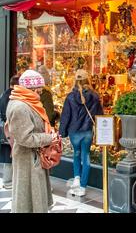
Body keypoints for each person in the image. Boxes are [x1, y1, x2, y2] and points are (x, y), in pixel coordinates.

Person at [6, 70, 58, 213]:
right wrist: (49, 138)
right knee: (27, 200)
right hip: (27, 159)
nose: (40, 93)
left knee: (33, 199)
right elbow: (25, 138)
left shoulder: (27, 103)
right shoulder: (20, 107)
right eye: (39, 90)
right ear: (32, 89)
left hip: (32, 157)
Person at [59, 69, 103, 197]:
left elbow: (65, 116)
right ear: (87, 80)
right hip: (87, 131)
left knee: (76, 154)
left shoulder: (70, 97)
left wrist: (62, 133)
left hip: (74, 132)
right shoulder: (94, 96)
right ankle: (83, 186)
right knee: (86, 156)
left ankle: (77, 179)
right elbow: (99, 115)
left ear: (75, 80)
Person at [0, 75, 19, 190]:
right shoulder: (11, 97)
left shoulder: (3, 95)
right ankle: (8, 181)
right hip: (9, 131)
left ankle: (8, 180)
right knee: (9, 157)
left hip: (4, 130)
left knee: (8, 155)